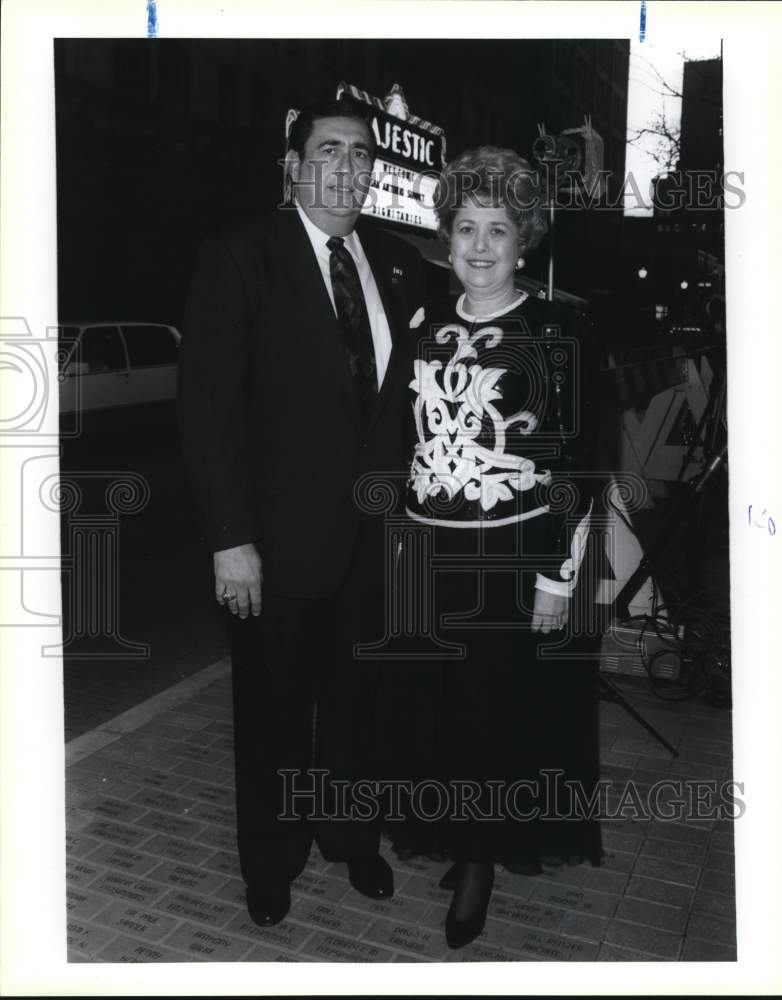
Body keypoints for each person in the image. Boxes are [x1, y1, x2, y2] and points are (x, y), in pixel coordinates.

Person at [177, 96, 427, 927]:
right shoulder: (240, 255)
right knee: (275, 712)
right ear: (293, 165)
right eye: (330, 150)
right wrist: (230, 540)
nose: (348, 167)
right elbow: (209, 411)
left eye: (362, 155)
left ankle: (353, 840)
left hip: (375, 544)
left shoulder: (396, 264)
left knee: (361, 707)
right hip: (275, 547)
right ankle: (272, 861)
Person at [383, 146, 604, 949]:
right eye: (466, 228)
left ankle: (479, 857)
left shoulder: (554, 332)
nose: (480, 246)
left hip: (512, 556)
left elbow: (574, 464)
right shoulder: (422, 329)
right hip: (433, 555)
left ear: (525, 242)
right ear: (446, 237)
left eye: (498, 230)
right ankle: (463, 832)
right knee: (440, 709)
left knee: (494, 714)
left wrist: (557, 576)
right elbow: (402, 448)